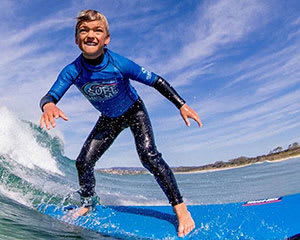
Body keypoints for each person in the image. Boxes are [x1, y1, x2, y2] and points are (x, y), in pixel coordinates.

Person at [39, 9, 202, 237]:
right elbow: (50, 95)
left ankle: (181, 209)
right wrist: (48, 106)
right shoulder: (72, 71)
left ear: (106, 39)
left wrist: (181, 104)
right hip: (109, 119)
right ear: (77, 39)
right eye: (84, 30)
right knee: (83, 162)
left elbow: (155, 80)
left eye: (98, 30)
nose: (91, 35)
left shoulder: (119, 63)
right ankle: (88, 203)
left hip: (134, 111)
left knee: (149, 156)